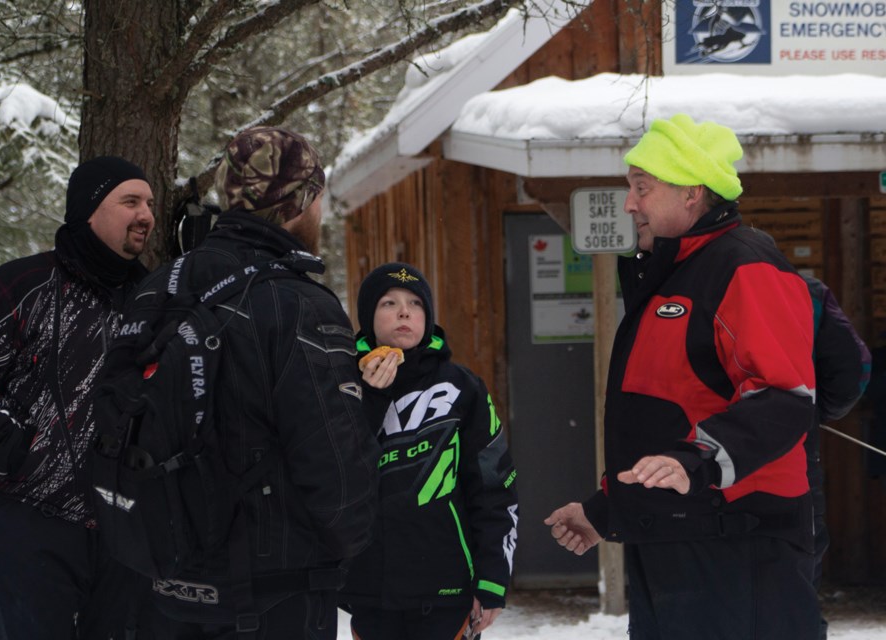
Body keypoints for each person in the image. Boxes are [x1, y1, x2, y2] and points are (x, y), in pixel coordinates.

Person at [544, 114, 821, 639]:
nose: (629, 203)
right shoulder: (672, 275)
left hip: (737, 551)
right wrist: (608, 509)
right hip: (674, 543)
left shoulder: (745, 267)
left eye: (642, 188)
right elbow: (665, 418)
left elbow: (784, 397)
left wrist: (697, 459)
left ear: (692, 192)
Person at [134, 127, 379, 639]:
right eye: (318, 198)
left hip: (167, 586)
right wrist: (356, 549)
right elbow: (334, 464)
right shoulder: (300, 305)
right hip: (275, 595)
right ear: (299, 203)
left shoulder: (159, 288)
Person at [0, 157, 155, 639]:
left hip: (124, 537)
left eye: (150, 204)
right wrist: (12, 448)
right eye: (130, 201)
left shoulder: (152, 302)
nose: (146, 215)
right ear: (89, 210)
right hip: (27, 527)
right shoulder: (24, 284)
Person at [338, 262, 519, 640]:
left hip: (447, 589)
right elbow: (332, 473)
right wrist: (370, 398)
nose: (404, 311)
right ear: (368, 316)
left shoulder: (462, 387)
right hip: (369, 590)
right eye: (389, 302)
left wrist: (492, 580)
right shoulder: (340, 384)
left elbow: (494, 488)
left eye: (415, 303)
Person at [803, 275, 871, 640]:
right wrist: (815, 412)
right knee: (795, 585)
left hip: (694, 467)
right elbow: (853, 366)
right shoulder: (802, 289)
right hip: (790, 465)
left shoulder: (687, 282)